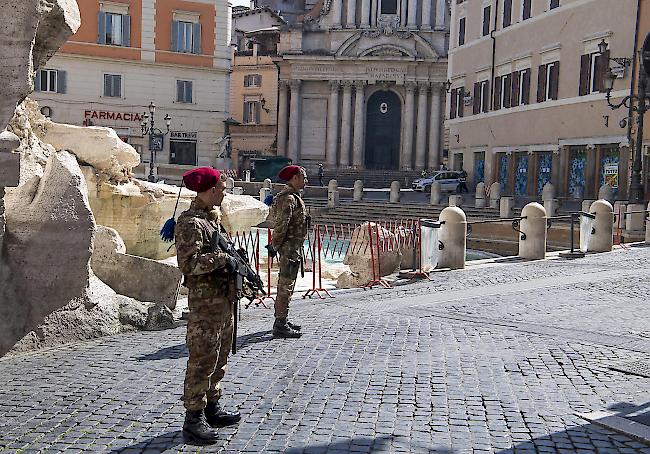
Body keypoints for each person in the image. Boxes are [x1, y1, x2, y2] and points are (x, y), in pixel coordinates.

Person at [174, 167, 241, 444]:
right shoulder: (191, 223)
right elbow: (188, 264)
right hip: (205, 305)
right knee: (202, 360)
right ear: (210, 189)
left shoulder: (211, 220)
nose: (225, 192)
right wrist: (222, 260)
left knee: (220, 357)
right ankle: (193, 418)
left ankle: (212, 406)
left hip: (222, 303)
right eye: (222, 188)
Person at [266, 165, 309, 339]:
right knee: (285, 286)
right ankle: (280, 324)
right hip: (289, 248)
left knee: (288, 286)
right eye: (303, 177)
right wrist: (274, 245)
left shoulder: (293, 197)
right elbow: (281, 225)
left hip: (293, 248)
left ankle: (283, 318)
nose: (306, 181)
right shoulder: (289, 199)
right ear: (294, 178)